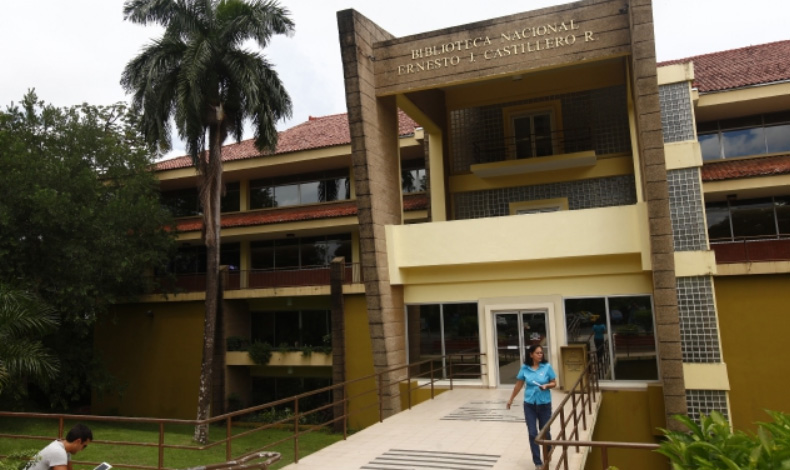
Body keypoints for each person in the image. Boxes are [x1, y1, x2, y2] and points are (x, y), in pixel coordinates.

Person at [506, 344, 556, 470]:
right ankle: (538, 462)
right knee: (532, 433)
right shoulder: (525, 368)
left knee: (545, 432)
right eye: (538, 353)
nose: (540, 355)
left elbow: (554, 383)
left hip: (544, 404)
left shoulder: (547, 367)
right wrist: (511, 399)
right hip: (529, 405)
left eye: (541, 353)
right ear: (531, 354)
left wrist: (547, 386)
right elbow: (518, 385)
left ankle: (548, 451)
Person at [28, 423, 93, 470]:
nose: (82, 449)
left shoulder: (65, 450)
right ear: (78, 441)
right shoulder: (58, 452)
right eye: (84, 446)